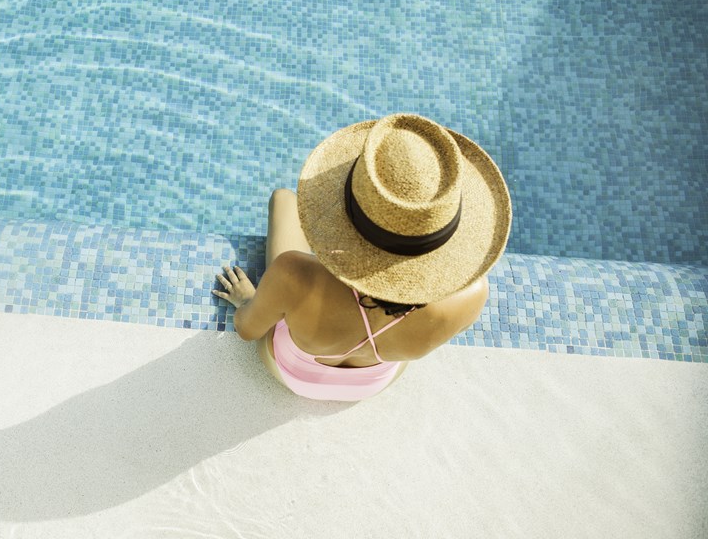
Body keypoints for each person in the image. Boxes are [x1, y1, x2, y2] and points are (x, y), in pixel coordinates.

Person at [213, 113, 512, 402]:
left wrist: (246, 300)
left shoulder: (294, 274)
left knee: (283, 199)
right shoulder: (473, 294)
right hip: (374, 381)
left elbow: (248, 330)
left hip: (295, 374)